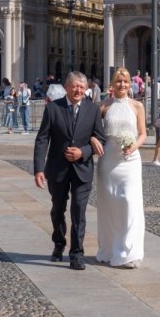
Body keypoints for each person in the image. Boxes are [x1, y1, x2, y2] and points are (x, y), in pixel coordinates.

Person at [33, 71, 105, 270]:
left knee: (79, 211)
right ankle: (59, 242)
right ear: (66, 87)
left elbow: (101, 139)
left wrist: (83, 151)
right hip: (57, 169)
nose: (78, 90)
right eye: (75, 86)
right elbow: (42, 139)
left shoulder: (93, 110)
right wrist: (39, 169)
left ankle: (77, 253)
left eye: (82, 87)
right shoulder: (53, 108)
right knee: (58, 210)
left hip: (83, 169)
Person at [92, 67, 146, 268]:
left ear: (130, 83)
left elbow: (142, 133)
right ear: (112, 84)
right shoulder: (103, 106)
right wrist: (92, 140)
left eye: (125, 81)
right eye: (118, 81)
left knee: (129, 203)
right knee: (109, 206)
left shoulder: (137, 106)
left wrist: (134, 147)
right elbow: (93, 130)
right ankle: (109, 248)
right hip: (109, 160)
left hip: (130, 161)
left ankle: (129, 252)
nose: (122, 84)